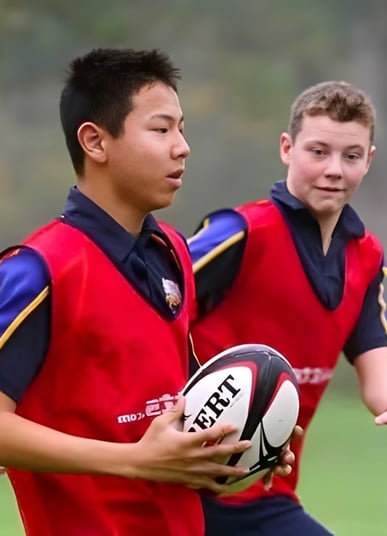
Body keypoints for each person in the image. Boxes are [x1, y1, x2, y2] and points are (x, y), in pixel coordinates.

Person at [0, 48, 258, 535]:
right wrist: (133, 460)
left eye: (182, 129)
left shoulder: (173, 250)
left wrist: (246, 434)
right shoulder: (37, 270)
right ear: (95, 142)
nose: (182, 147)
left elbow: (176, 405)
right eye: (161, 130)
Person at [188, 80, 387, 535]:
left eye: (351, 156)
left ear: (370, 160)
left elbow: (376, 367)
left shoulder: (366, 257)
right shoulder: (241, 233)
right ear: (287, 148)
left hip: (266, 495)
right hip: (179, 490)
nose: (334, 170)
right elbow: (144, 313)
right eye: (318, 152)